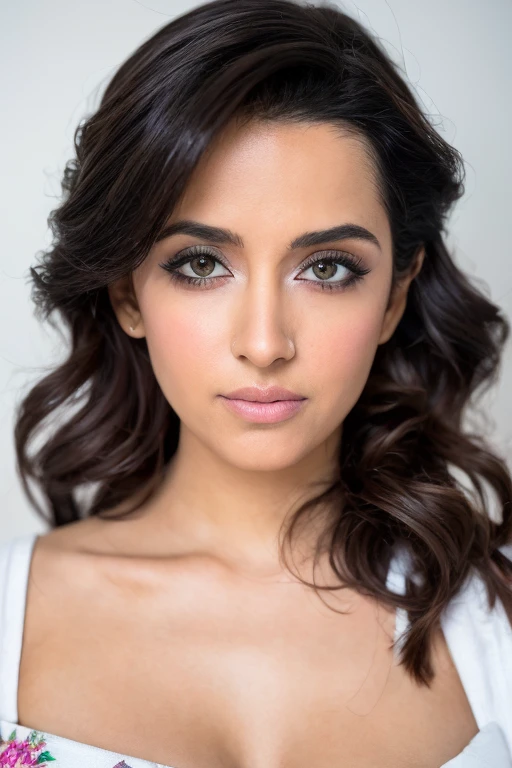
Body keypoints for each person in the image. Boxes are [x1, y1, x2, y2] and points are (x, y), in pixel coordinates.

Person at [1, 0, 511, 766]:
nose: (265, 344)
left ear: (395, 296)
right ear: (130, 294)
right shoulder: (10, 614)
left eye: (328, 268)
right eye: (201, 264)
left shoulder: (497, 624)